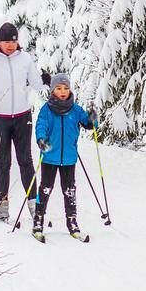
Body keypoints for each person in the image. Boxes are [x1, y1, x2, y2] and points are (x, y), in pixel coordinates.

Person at [0, 22, 50, 221]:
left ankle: (34, 205)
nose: (10, 45)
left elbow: (36, 83)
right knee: (3, 162)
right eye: (6, 41)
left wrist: (46, 79)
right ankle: (2, 205)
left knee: (25, 161)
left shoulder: (25, 58)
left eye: (13, 41)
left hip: (22, 117)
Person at [31, 73, 97, 242]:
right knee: (45, 189)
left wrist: (91, 120)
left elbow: (87, 123)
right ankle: (38, 221)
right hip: (49, 157)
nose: (63, 91)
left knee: (69, 191)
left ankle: (72, 222)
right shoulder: (47, 110)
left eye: (66, 88)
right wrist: (41, 139)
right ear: (53, 91)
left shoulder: (75, 109)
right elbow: (41, 126)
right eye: (59, 88)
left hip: (68, 158)